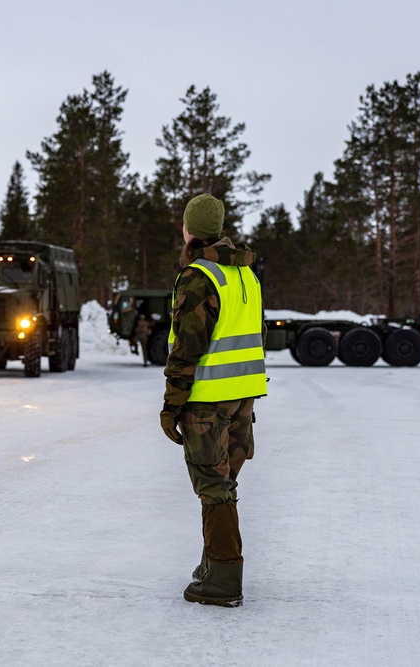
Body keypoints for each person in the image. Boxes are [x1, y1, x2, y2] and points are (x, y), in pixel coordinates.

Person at [159, 193, 267, 607]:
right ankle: (213, 563)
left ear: (189, 230)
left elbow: (186, 349)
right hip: (242, 397)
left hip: (206, 401)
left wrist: (172, 405)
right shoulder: (244, 275)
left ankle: (223, 579)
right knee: (224, 483)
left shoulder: (199, 276)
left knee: (213, 486)